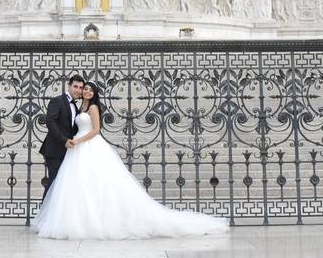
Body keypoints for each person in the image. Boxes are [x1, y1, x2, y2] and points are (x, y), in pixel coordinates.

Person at [32, 81, 229, 240]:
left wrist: (78, 140)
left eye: (88, 89)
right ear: (74, 88)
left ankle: (93, 220)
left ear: (94, 93)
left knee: (96, 183)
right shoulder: (77, 105)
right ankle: (67, 219)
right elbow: (57, 122)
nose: (85, 91)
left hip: (86, 145)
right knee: (74, 185)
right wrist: (72, 141)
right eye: (83, 88)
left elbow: (96, 130)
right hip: (72, 149)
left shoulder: (92, 107)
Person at [38, 74, 84, 199]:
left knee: (62, 185)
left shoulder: (75, 105)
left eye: (81, 88)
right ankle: (44, 215)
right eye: (75, 86)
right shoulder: (57, 100)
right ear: (69, 86)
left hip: (68, 152)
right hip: (55, 150)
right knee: (54, 183)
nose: (78, 90)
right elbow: (50, 122)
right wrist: (63, 140)